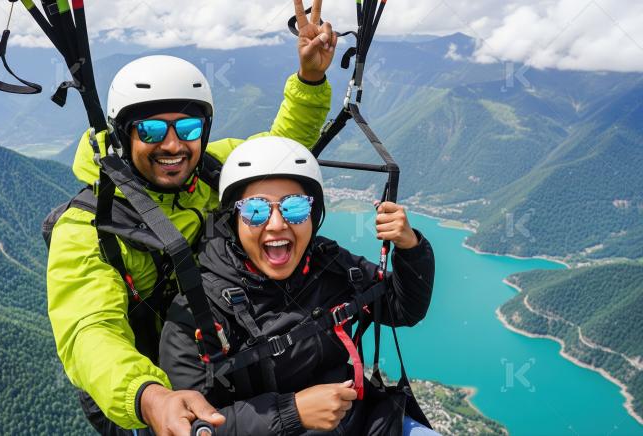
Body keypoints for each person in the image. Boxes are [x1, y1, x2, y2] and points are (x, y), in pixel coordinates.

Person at [46, 2, 340, 434]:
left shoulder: (214, 169)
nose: (172, 145)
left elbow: (280, 150)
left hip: (225, 365)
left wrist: (310, 79)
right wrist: (149, 396)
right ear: (123, 135)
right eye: (149, 130)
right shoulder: (89, 227)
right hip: (158, 394)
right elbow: (90, 332)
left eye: (187, 130)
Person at [158, 137, 438, 435]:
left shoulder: (328, 263)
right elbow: (189, 426)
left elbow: (401, 309)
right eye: (256, 210)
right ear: (234, 220)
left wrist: (411, 247)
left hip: (362, 423)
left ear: (313, 215)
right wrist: (293, 413)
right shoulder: (197, 310)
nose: (277, 224)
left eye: (294, 208)